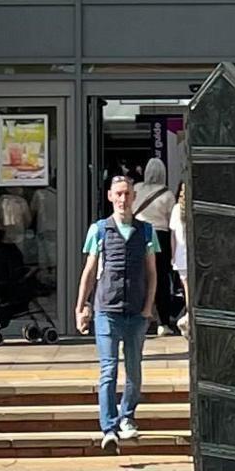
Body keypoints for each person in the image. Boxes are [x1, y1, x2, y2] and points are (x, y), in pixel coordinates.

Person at [75, 173, 161, 446]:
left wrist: (148, 308)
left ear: (134, 197)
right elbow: (89, 271)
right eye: (119, 194)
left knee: (134, 371)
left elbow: (152, 273)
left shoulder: (146, 231)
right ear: (110, 196)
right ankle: (108, 427)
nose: (123, 198)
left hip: (136, 312)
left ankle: (127, 417)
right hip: (106, 310)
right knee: (108, 370)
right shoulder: (99, 230)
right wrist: (80, 306)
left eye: (127, 193)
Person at [133, 155, 185, 330]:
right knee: (161, 279)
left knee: (140, 277)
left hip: (139, 234)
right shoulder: (168, 194)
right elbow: (173, 222)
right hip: (161, 237)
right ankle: (163, 321)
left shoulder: (137, 188)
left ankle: (141, 316)